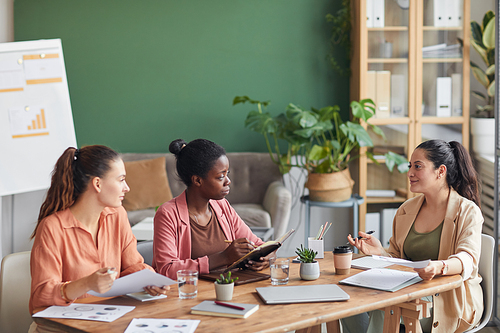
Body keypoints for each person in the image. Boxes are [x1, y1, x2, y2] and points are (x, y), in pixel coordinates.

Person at [343, 140, 483, 333]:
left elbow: (468, 260)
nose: (410, 173)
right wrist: (380, 252)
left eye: (418, 166)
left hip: (447, 299)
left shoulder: (467, 211)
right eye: (410, 166)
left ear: (440, 171)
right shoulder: (406, 210)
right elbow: (400, 260)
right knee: (347, 298)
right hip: (409, 290)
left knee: (386, 307)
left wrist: (438, 267)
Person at [29, 145, 168, 331]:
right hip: (66, 326)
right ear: (97, 184)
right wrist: (87, 283)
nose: (127, 188)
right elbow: (41, 296)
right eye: (121, 180)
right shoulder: (52, 227)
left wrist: (148, 278)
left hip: (111, 319)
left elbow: (132, 266)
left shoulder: (118, 215)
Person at [153, 138, 272, 279]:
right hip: (190, 293)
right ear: (197, 180)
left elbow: (259, 245)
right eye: (221, 176)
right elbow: (167, 270)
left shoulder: (222, 206)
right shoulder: (168, 214)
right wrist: (223, 257)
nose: (228, 181)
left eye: (227, 174)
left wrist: (267, 258)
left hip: (228, 287)